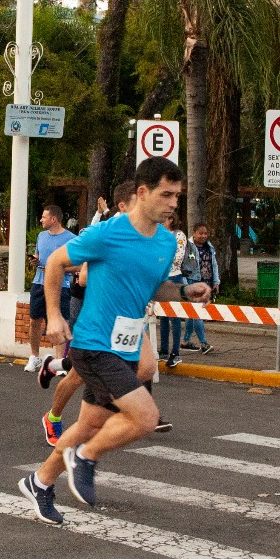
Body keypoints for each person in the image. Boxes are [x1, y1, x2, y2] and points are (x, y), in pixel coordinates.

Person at [18, 157, 206, 525]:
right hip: (94, 343)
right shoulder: (109, 232)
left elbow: (153, 288)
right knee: (146, 417)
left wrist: (185, 290)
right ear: (141, 192)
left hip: (127, 347)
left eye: (177, 197)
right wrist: (55, 316)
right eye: (166, 195)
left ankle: (39, 482)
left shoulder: (167, 243)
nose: (172, 204)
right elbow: (55, 262)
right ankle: (85, 458)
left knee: (88, 425)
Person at [36, 180, 168, 446]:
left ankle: (115, 406)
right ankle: (53, 416)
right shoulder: (105, 233)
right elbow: (82, 276)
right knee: (78, 376)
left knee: (146, 367)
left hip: (128, 321)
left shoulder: (150, 234)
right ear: (124, 205)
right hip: (96, 314)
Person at [26, 204, 76, 372]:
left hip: (61, 285)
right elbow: (39, 257)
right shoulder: (41, 236)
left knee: (62, 321)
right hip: (39, 283)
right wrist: (35, 261)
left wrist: (57, 269)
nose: (41, 220)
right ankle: (34, 357)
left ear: (53, 219)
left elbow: (78, 266)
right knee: (34, 321)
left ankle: (59, 361)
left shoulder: (71, 239)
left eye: (44, 217)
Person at [180, 222, 218, 355]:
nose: (203, 236)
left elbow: (214, 265)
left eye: (205, 233)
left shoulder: (209, 247)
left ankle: (185, 342)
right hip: (193, 282)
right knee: (197, 313)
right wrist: (186, 285)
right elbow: (183, 266)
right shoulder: (188, 247)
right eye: (200, 233)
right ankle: (203, 343)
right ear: (194, 233)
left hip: (205, 283)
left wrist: (215, 281)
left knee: (192, 314)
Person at [157, 213, 189, 368]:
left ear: (171, 220)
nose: (162, 222)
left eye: (165, 219)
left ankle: (175, 352)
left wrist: (160, 259)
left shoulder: (178, 236)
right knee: (162, 316)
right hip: (161, 277)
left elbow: (178, 257)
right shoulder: (157, 234)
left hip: (175, 277)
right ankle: (163, 349)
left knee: (174, 316)